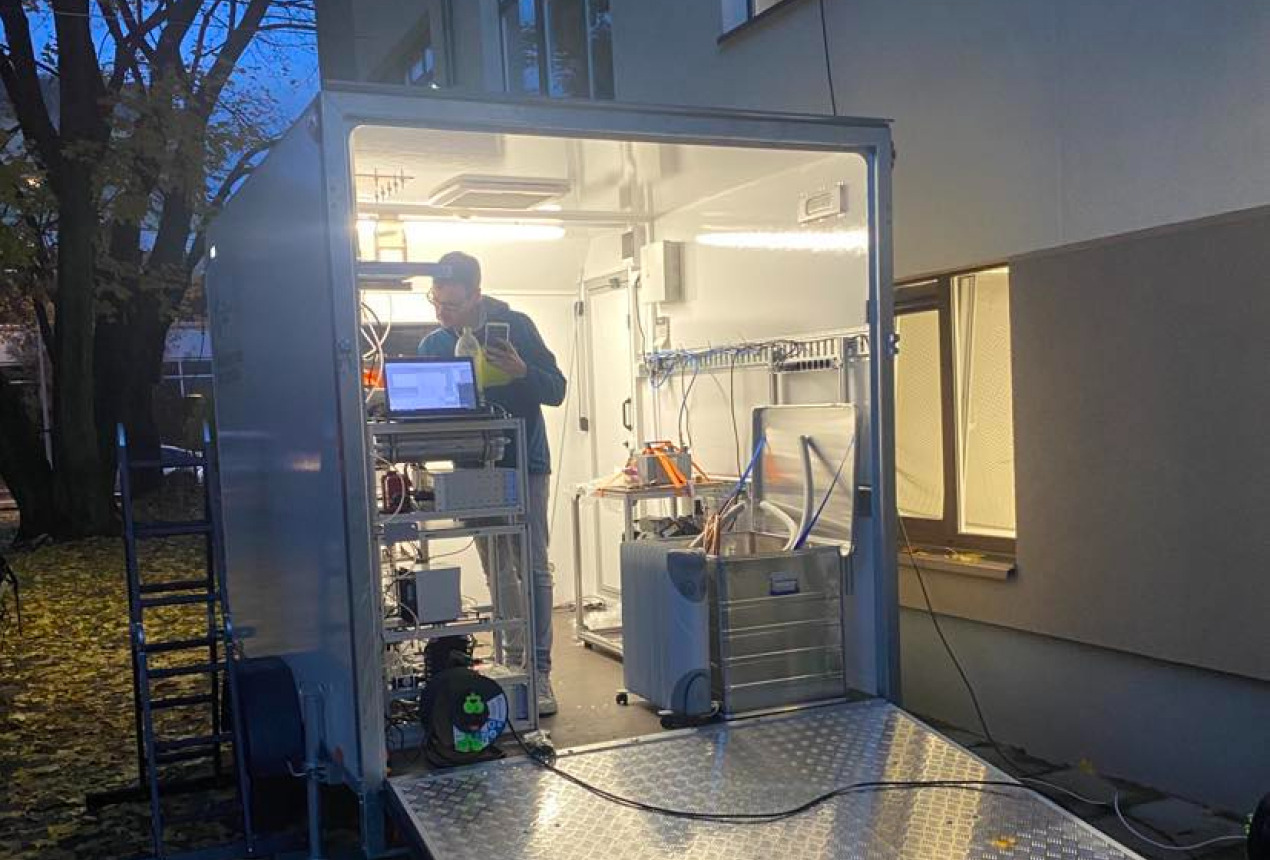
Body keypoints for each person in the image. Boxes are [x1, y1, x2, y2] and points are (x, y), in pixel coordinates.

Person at [418, 251, 566, 717]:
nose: (444, 314)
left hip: (524, 464)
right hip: (472, 469)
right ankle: (508, 661)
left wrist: (523, 371)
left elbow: (556, 390)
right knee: (497, 569)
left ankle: (539, 672)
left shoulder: (516, 326)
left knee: (532, 567)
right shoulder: (433, 346)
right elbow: (425, 414)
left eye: (454, 305)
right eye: (437, 304)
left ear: (477, 294)